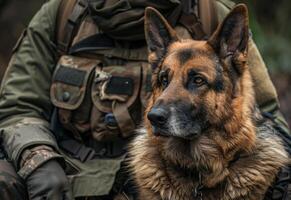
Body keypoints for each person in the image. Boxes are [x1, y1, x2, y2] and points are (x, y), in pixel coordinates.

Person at [0, 0, 289, 199]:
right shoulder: (62, 13)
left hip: (176, 171)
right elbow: (17, 105)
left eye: (196, 80)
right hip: (69, 168)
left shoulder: (211, 11)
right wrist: (38, 159)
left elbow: (264, 111)